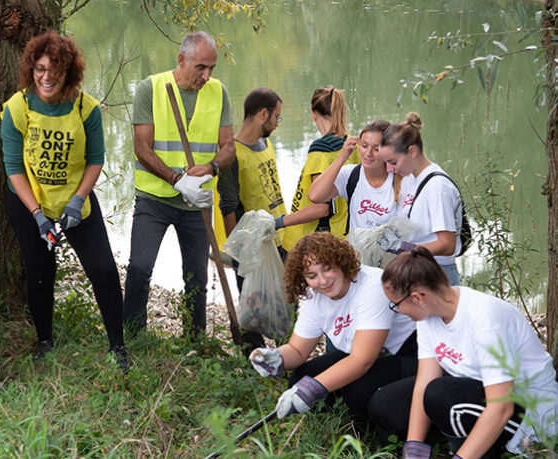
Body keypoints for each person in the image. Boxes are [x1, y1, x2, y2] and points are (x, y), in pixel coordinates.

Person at [1, 31, 128, 369]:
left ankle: (118, 345)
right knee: (40, 272)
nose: (47, 77)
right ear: (31, 69)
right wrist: (38, 216)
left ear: (68, 72)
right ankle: (44, 340)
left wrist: (77, 200)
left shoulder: (87, 108)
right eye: (40, 69)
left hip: (76, 200)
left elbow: (96, 158)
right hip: (29, 203)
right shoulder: (17, 108)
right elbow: (13, 168)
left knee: (102, 269)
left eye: (55, 70)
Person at [369, 248, 558, 458]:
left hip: (528, 409)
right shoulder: (428, 315)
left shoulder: (484, 320)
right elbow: (424, 380)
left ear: (417, 298)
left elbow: (501, 407)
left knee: (440, 394)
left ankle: (482, 451)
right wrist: (414, 446)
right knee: (386, 403)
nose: (399, 311)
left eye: (396, 305)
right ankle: (457, 441)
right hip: (477, 393)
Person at [123, 31, 236, 337]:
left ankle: (196, 339)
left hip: (196, 202)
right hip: (155, 199)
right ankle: (132, 337)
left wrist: (212, 168)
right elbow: (142, 147)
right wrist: (176, 179)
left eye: (211, 67)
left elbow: (228, 147)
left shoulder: (218, 92)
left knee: (197, 277)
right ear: (182, 60)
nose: (207, 74)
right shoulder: (151, 88)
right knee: (140, 268)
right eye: (200, 67)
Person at [249, 232, 416, 420]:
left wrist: (313, 389)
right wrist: (276, 358)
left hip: (409, 354)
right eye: (311, 275)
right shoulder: (314, 297)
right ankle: (339, 421)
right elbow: (297, 350)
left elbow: (363, 361)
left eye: (327, 269)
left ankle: (369, 430)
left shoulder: (372, 286)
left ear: (341, 261)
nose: (323, 281)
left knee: (358, 389)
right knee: (301, 378)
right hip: (365, 352)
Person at [217, 87, 330, 352]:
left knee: (285, 300)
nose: (277, 124)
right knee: (252, 303)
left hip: (279, 235)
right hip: (253, 245)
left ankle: (287, 355)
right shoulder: (233, 155)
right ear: (263, 114)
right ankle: (253, 358)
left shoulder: (266, 144)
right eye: (276, 118)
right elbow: (228, 206)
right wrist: (239, 255)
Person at [376, 112, 463, 285]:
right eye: (385, 162)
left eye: (393, 162)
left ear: (412, 151)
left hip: (437, 274)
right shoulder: (409, 179)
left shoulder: (437, 187)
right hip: (414, 269)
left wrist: (406, 248)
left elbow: (447, 245)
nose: (388, 169)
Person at [280, 86, 358, 252]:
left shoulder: (322, 149)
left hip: (322, 239)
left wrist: (277, 222)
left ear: (313, 113)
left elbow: (322, 207)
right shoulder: (351, 144)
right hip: (346, 232)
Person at [309, 120, 398, 232]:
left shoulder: (400, 179)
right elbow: (315, 196)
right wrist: (341, 158)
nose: (368, 154)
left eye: (376, 149)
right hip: (356, 248)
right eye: (364, 146)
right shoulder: (351, 174)